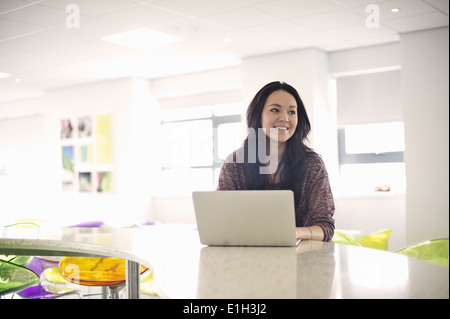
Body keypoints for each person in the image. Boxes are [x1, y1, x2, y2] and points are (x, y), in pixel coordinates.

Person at [217, 81, 335, 242]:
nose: (284, 118)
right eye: (275, 110)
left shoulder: (312, 164)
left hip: (301, 259)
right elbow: (221, 220)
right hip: (246, 254)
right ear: (258, 116)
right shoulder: (234, 164)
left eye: (292, 112)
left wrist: (293, 233)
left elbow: (325, 227)